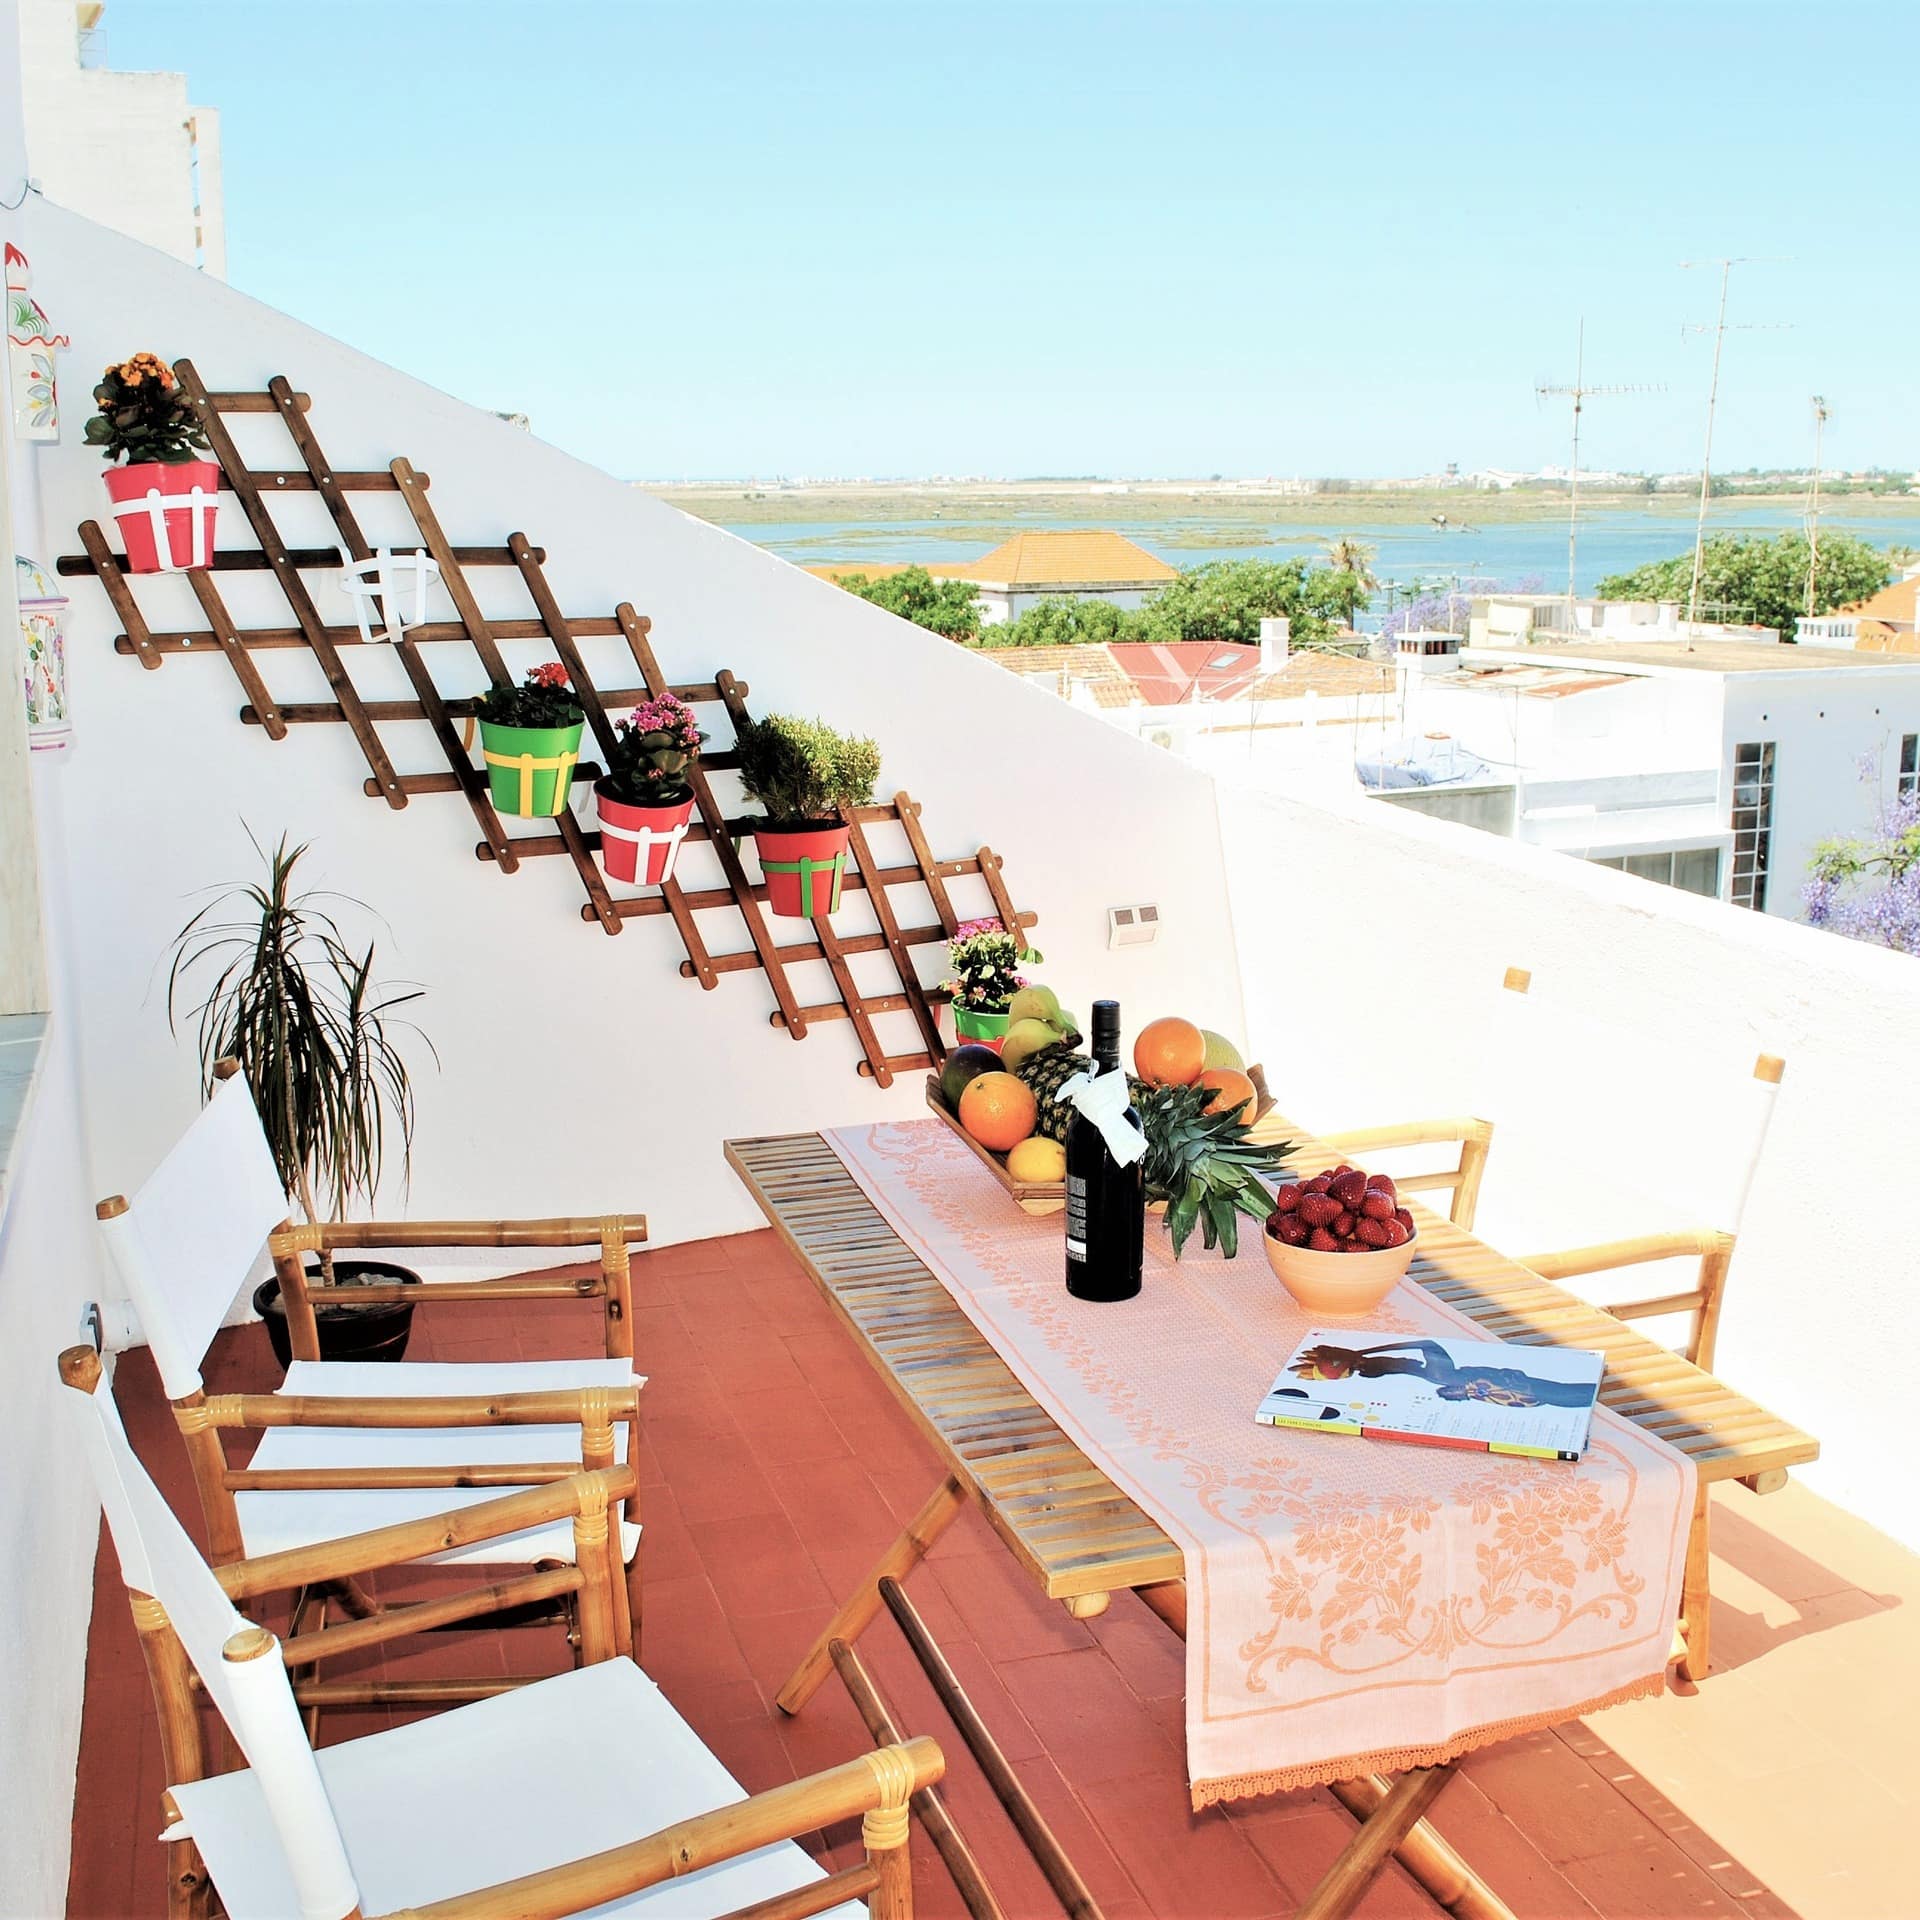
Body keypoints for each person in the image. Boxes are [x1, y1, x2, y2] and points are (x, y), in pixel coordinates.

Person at [1289, 1337, 1592, 1410]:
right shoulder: (1435, 1378)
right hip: (1523, 1397)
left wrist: (1362, 1354)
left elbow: (1426, 1343)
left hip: (1526, 1390)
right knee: (1572, 1397)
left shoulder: (1440, 1373)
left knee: (1574, 1396)